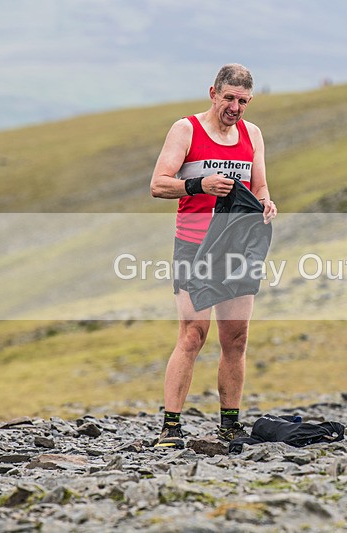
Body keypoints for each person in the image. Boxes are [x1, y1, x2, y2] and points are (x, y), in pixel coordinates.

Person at [149, 64, 277, 448]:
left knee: (236, 338)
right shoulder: (186, 129)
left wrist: (266, 202)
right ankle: (171, 428)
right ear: (213, 93)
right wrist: (199, 185)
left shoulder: (252, 134)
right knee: (193, 334)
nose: (235, 108)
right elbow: (158, 185)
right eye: (229, 98)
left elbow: (260, 186)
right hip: (194, 246)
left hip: (237, 247)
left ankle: (230, 425)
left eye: (243, 101)